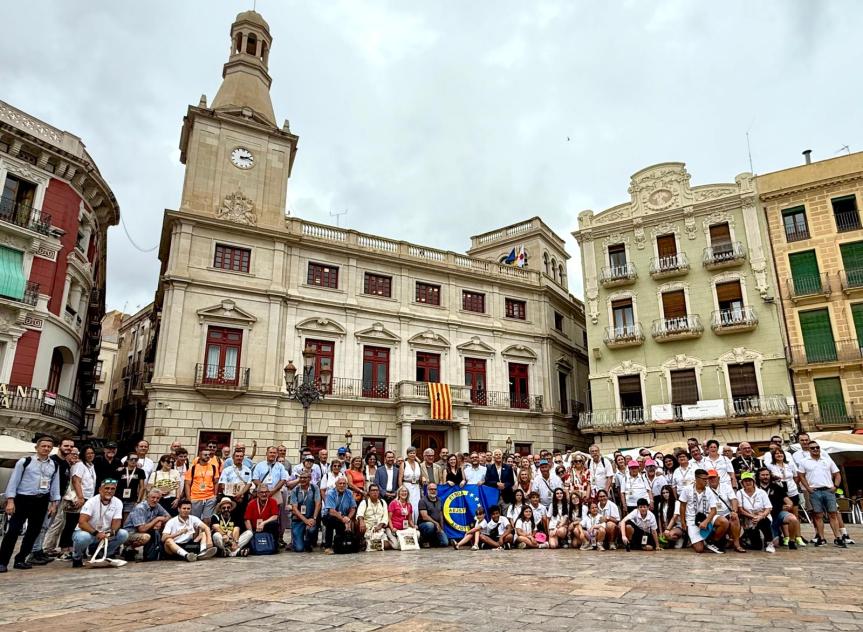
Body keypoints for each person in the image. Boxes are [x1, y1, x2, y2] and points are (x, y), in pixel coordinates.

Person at [0, 436, 61, 573]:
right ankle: (2, 561)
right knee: (13, 531)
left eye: (48, 447)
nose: (46, 448)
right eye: (43, 446)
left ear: (51, 449)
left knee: (33, 532)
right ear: (37, 447)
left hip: (41, 500)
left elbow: (55, 485)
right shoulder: (25, 462)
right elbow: (14, 481)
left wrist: (54, 503)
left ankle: (21, 559)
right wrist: (10, 500)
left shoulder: (54, 465)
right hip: (23, 499)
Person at [30, 437, 75, 565]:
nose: (69, 448)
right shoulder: (53, 461)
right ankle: (35, 552)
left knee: (46, 526)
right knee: (41, 526)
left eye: (71, 446)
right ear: (59, 446)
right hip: (47, 499)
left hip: (57, 499)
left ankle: (39, 551)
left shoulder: (66, 463)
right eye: (66, 446)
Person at [797, 441, 846, 548]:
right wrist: (808, 488)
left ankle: (838, 537)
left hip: (828, 490)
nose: (815, 449)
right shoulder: (804, 461)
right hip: (815, 491)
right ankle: (821, 538)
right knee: (817, 515)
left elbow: (837, 474)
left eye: (817, 447)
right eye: (812, 448)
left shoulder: (827, 460)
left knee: (833, 514)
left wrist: (836, 486)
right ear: (809, 450)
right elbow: (801, 475)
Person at [71, 478, 129, 567]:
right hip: (88, 532)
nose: (109, 491)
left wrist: (112, 532)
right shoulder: (91, 502)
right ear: (100, 489)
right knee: (83, 537)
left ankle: (103, 554)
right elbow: (82, 523)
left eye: (112, 489)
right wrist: (96, 533)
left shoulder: (118, 502)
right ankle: (77, 557)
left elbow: (117, 521)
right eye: (107, 488)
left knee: (123, 534)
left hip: (105, 534)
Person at [60, 445, 98, 559]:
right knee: (71, 523)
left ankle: (74, 547)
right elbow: (76, 481)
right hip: (79, 498)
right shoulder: (79, 465)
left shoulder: (91, 466)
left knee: (79, 524)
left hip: (88, 498)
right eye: (88, 453)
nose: (90, 455)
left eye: (92, 453)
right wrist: (81, 497)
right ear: (83, 454)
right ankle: (65, 549)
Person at [757, 467, 802, 550]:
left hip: (776, 515)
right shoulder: (755, 488)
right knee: (775, 544)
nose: (765, 477)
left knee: (793, 519)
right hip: (763, 517)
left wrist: (789, 505)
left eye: (767, 475)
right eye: (763, 475)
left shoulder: (776, 487)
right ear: (758, 476)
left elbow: (789, 501)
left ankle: (791, 541)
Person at [679, 469, 722, 554]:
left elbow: (714, 510)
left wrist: (706, 521)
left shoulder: (709, 490)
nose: (707, 481)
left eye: (707, 478)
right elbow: (682, 506)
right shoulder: (687, 489)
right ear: (696, 478)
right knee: (699, 549)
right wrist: (683, 522)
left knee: (724, 521)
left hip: (705, 517)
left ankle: (711, 541)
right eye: (704, 479)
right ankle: (700, 541)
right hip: (692, 520)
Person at [124, 489, 171, 561]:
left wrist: (160, 521)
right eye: (153, 497)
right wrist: (157, 519)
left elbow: (168, 517)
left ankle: (154, 553)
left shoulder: (157, 505)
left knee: (163, 528)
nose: (155, 500)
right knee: (146, 537)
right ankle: (129, 548)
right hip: (129, 533)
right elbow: (142, 529)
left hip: (144, 530)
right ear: (147, 497)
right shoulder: (140, 508)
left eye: (158, 498)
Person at [736, 471, 775, 553]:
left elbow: (768, 508)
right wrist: (753, 516)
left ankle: (769, 543)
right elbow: (740, 510)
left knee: (764, 521)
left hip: (762, 517)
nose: (748, 482)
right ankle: (747, 538)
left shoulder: (761, 492)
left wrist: (760, 516)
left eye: (750, 480)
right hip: (748, 520)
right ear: (742, 483)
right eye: (745, 481)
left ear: (753, 481)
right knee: (757, 546)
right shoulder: (739, 493)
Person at [708, 471, 744, 553]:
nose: (712, 479)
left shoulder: (726, 486)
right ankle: (714, 541)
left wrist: (734, 511)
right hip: (712, 514)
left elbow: (734, 499)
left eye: (714, 477)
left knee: (735, 518)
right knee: (724, 522)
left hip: (726, 512)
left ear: (718, 478)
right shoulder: (705, 489)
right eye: (710, 478)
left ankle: (737, 544)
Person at [322, 476, 356, 554]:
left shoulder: (349, 493)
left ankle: (339, 546)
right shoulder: (330, 493)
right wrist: (343, 519)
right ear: (336, 484)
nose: (342, 485)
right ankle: (328, 546)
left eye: (344, 483)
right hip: (330, 516)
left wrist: (348, 518)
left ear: (346, 485)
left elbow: (353, 508)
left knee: (342, 524)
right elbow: (331, 511)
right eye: (340, 483)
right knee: (331, 521)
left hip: (343, 516)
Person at [289, 471, 321, 552]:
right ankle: (296, 541)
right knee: (299, 549)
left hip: (310, 518)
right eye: (301, 478)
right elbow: (294, 509)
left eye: (305, 478)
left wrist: (314, 518)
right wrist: (305, 520)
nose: (302, 479)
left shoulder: (315, 488)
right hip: (298, 520)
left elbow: (318, 504)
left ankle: (308, 542)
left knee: (311, 529)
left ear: (310, 479)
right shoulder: (295, 490)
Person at [184, 448, 219, 522]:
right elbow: (187, 484)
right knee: (195, 521)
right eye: (205, 455)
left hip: (210, 497)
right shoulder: (193, 468)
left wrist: (215, 495)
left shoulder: (213, 467)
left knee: (207, 519)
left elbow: (216, 482)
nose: (207, 456)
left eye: (209, 455)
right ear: (200, 456)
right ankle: (196, 534)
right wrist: (188, 498)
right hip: (196, 497)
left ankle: (205, 533)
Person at [767, 447, 801, 519]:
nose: (779, 455)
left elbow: (796, 476)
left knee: (795, 515)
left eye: (781, 453)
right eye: (776, 453)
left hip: (792, 491)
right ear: (773, 456)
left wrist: (794, 485)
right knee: (784, 515)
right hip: (779, 493)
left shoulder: (790, 464)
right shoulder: (770, 466)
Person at [244, 486, 281, 550]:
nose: (264, 494)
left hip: (267, 526)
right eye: (262, 492)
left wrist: (263, 523)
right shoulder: (251, 503)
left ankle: (274, 545)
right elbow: (247, 519)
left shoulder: (273, 501)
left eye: (266, 492)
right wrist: (251, 533)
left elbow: (275, 516)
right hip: (254, 528)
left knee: (274, 524)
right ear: (257, 494)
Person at [357, 484, 392, 549]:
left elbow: (385, 517)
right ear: (369, 492)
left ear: (379, 492)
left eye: (376, 490)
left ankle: (369, 544)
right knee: (359, 524)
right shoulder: (364, 502)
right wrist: (361, 522)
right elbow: (359, 514)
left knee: (387, 545)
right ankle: (364, 541)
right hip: (368, 529)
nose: (375, 492)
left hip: (379, 528)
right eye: (372, 490)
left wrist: (380, 525)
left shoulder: (383, 502)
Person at [115, 452, 147, 520]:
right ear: (127, 460)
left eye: (136, 459)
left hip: (132, 499)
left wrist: (138, 500)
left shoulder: (140, 471)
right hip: (119, 498)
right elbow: (115, 485)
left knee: (127, 519)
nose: (133, 461)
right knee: (117, 517)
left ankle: (125, 530)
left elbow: (142, 487)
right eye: (131, 459)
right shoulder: (120, 470)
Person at [417, 483, 449, 548]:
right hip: (424, 525)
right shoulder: (422, 501)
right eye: (431, 489)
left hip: (437, 526)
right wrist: (436, 523)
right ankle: (424, 540)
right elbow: (424, 516)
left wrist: (441, 528)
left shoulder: (439, 500)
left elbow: (440, 514)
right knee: (430, 525)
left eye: (435, 489)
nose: (433, 491)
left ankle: (432, 541)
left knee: (445, 543)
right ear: (427, 490)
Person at [387, 485, 415, 550]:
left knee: (417, 534)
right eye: (402, 491)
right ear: (399, 493)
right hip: (394, 529)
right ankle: (387, 539)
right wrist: (392, 528)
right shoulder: (393, 503)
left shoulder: (409, 505)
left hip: (404, 529)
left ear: (407, 494)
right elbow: (389, 518)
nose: (404, 493)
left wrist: (414, 527)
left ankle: (399, 540)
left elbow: (410, 520)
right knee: (396, 546)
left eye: (405, 491)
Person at [655, 485, 683, 549]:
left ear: (670, 493)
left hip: (677, 526)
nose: (665, 494)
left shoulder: (677, 503)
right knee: (661, 537)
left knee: (669, 535)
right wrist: (661, 532)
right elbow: (659, 519)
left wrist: (667, 529)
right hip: (666, 526)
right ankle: (670, 541)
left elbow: (674, 517)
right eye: (663, 493)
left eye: (667, 492)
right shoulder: (660, 504)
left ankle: (680, 538)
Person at [399, 447, 422, 522]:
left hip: (416, 487)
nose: (412, 455)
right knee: (408, 504)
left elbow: (420, 477)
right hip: (407, 486)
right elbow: (400, 478)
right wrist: (401, 489)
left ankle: (415, 523)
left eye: (414, 453)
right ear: (407, 454)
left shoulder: (418, 464)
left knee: (416, 505)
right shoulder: (404, 464)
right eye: (410, 453)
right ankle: (408, 523)